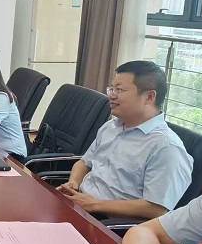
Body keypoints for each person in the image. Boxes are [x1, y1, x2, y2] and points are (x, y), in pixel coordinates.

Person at [59, 61, 192, 220]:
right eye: (112, 89)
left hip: (109, 223)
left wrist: (95, 204)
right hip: (81, 204)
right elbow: (84, 163)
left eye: (120, 90)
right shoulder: (111, 127)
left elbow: (157, 209)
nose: (111, 96)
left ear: (149, 97)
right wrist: (73, 183)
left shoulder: (166, 148)